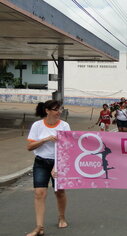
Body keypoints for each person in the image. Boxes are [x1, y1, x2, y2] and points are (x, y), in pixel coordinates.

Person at [26, 100, 70, 236]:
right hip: (41, 163)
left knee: (60, 192)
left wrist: (57, 166)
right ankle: (39, 227)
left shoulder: (64, 125)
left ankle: (62, 217)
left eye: (60, 109)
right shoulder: (37, 125)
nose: (59, 112)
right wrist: (45, 139)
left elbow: (67, 148)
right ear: (47, 111)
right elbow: (29, 147)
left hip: (59, 163)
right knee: (39, 193)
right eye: (56, 109)